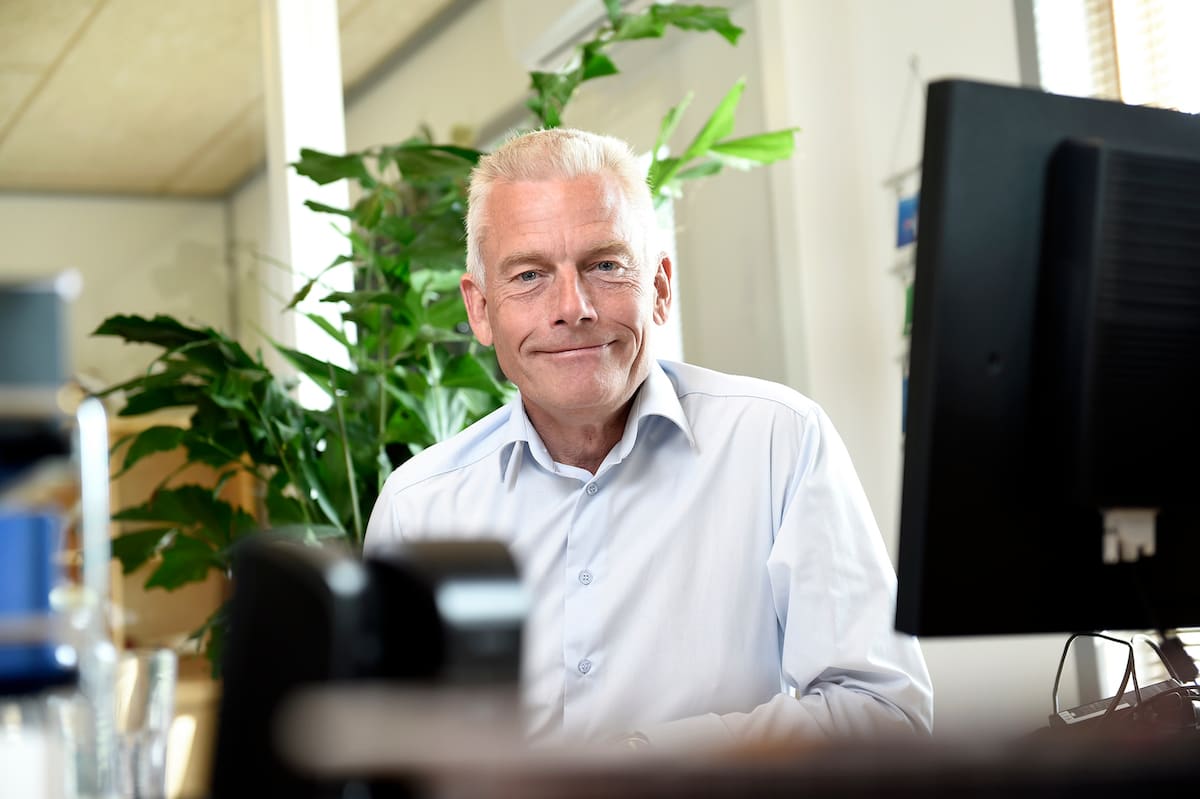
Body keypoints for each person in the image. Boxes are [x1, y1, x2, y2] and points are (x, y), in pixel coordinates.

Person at [364, 127, 933, 750]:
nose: (572, 307)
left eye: (605, 265)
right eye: (528, 275)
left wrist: (643, 767)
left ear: (660, 287)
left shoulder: (778, 442)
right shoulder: (419, 507)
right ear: (479, 310)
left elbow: (885, 714)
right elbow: (388, 753)